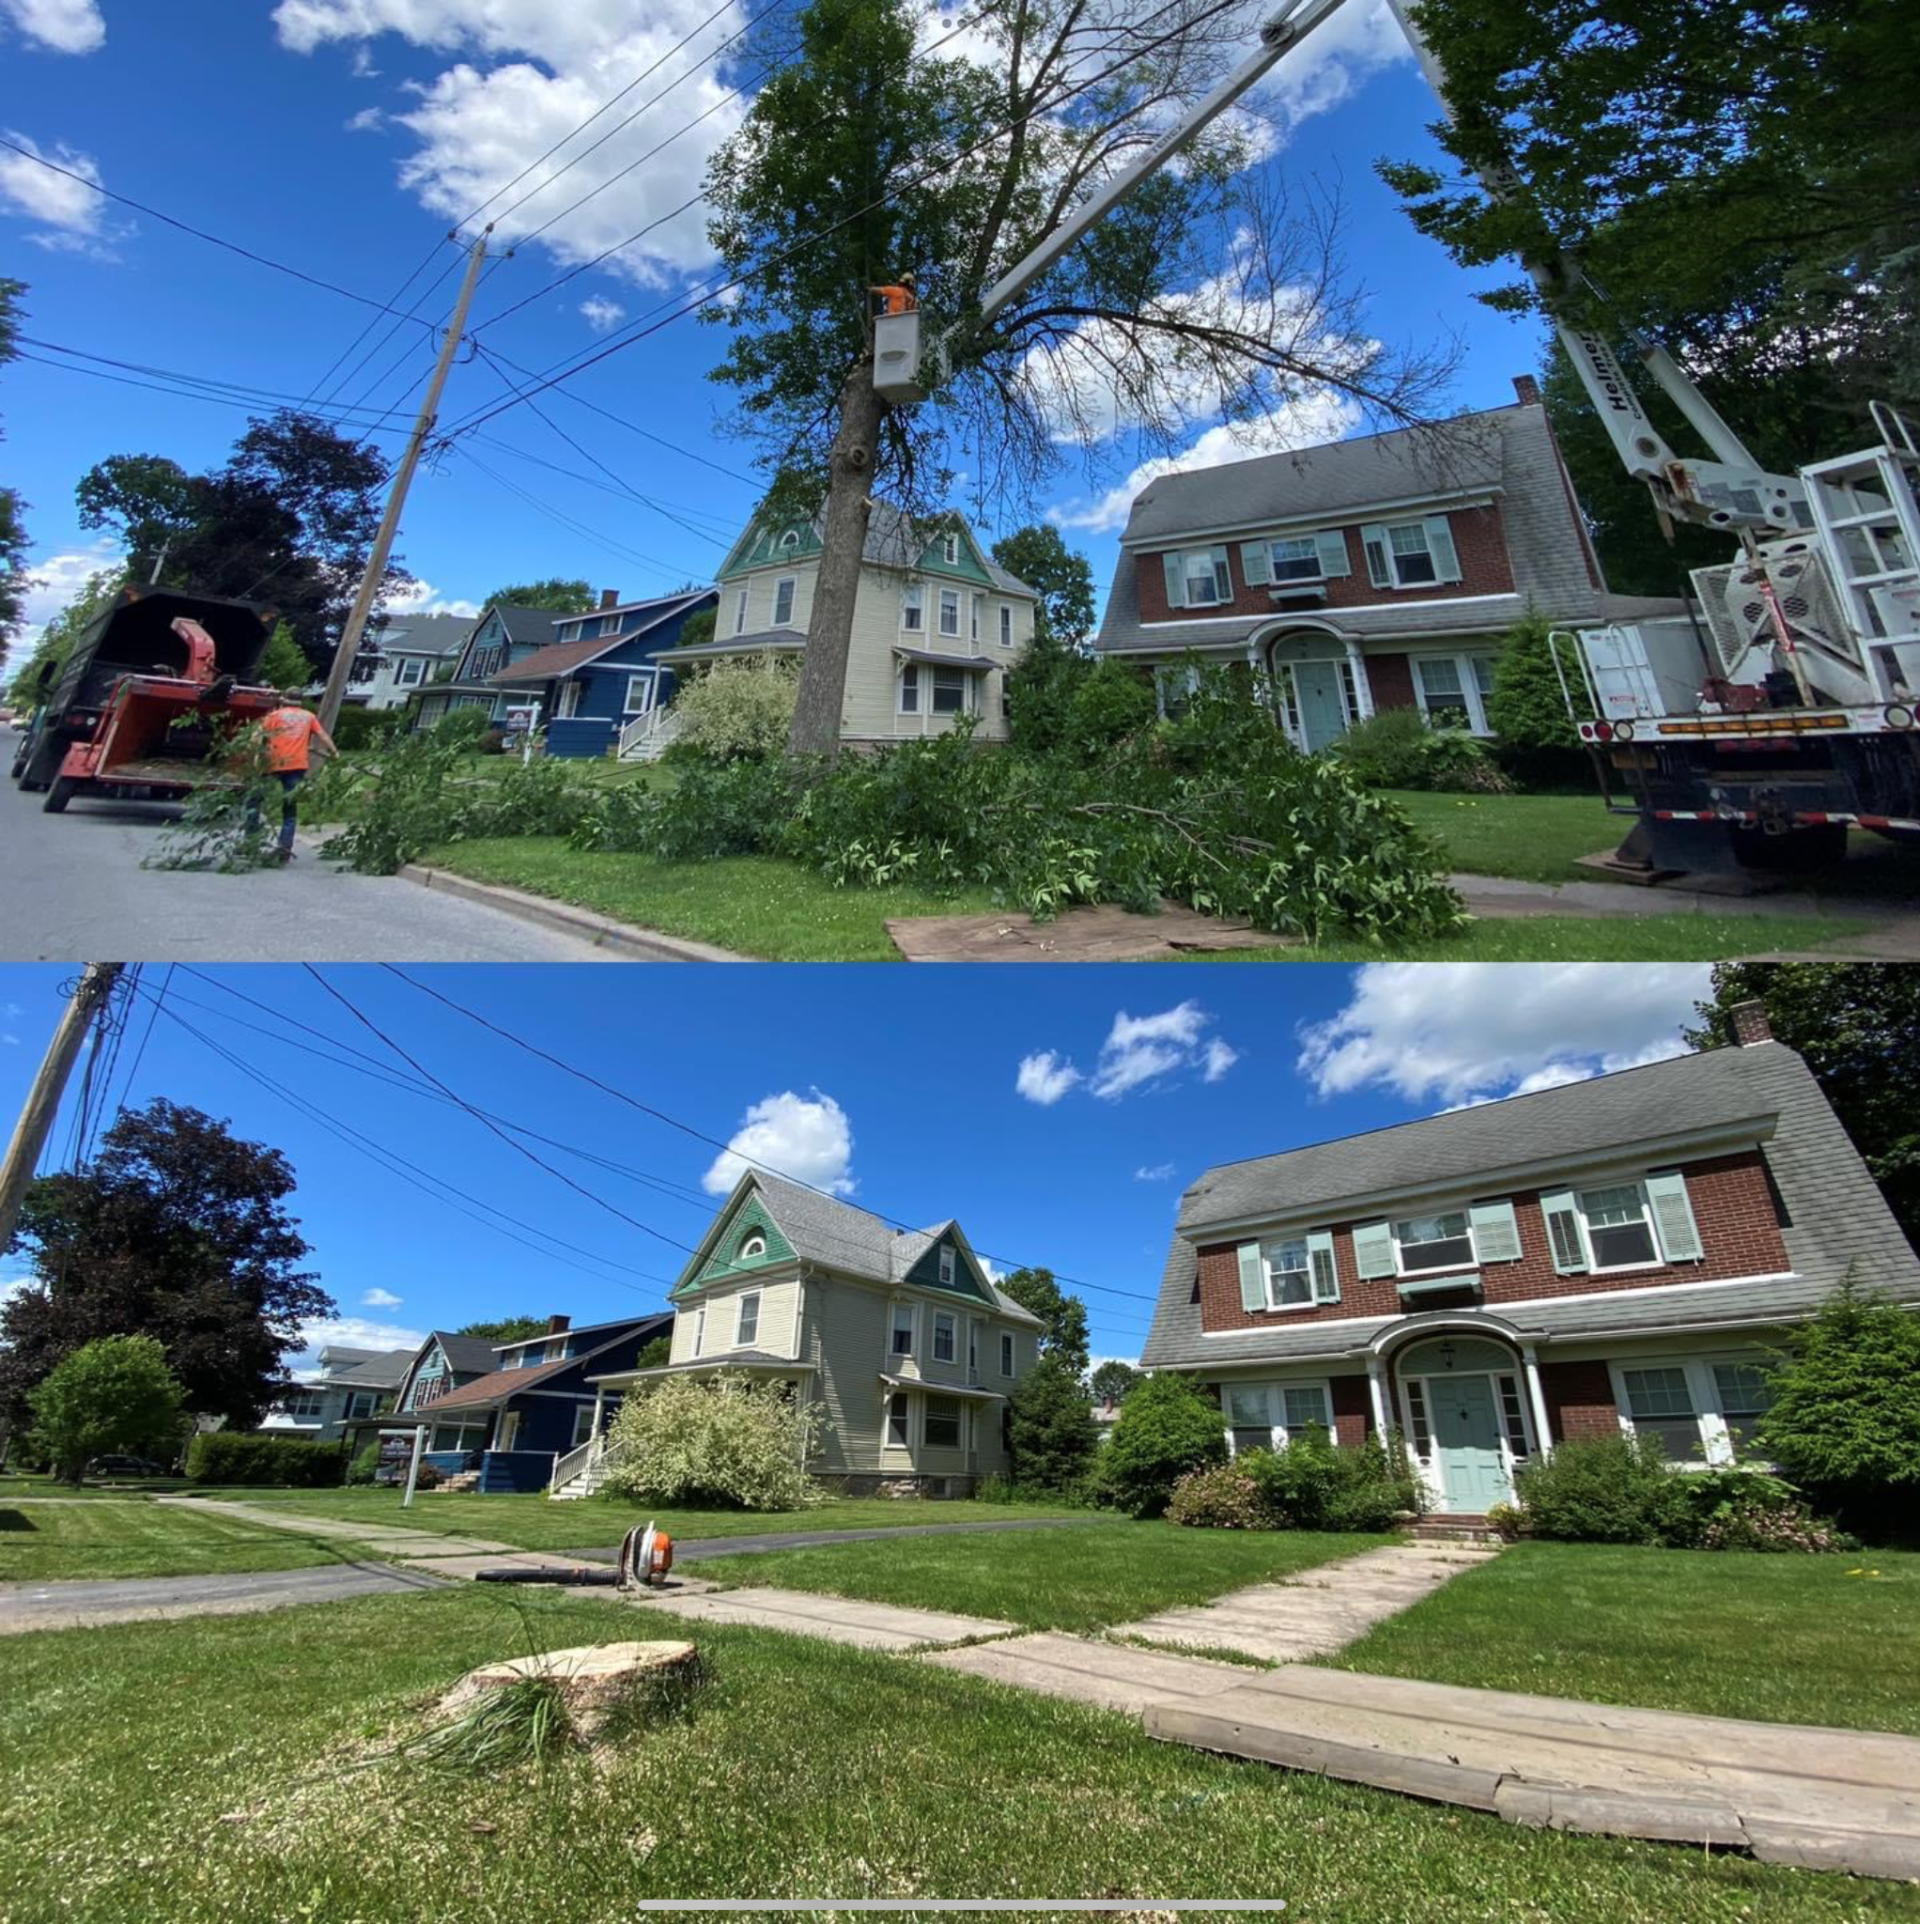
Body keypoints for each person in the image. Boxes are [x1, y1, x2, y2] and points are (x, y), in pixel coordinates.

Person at [250, 694, 336, 865]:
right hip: (297, 766)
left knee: (254, 802)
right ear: (300, 701)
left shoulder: (274, 716)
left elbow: (256, 737)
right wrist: (334, 752)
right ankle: (285, 849)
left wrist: (255, 757)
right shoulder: (309, 716)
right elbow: (323, 736)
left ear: (284, 700)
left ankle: (249, 842)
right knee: (290, 809)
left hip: (272, 765)